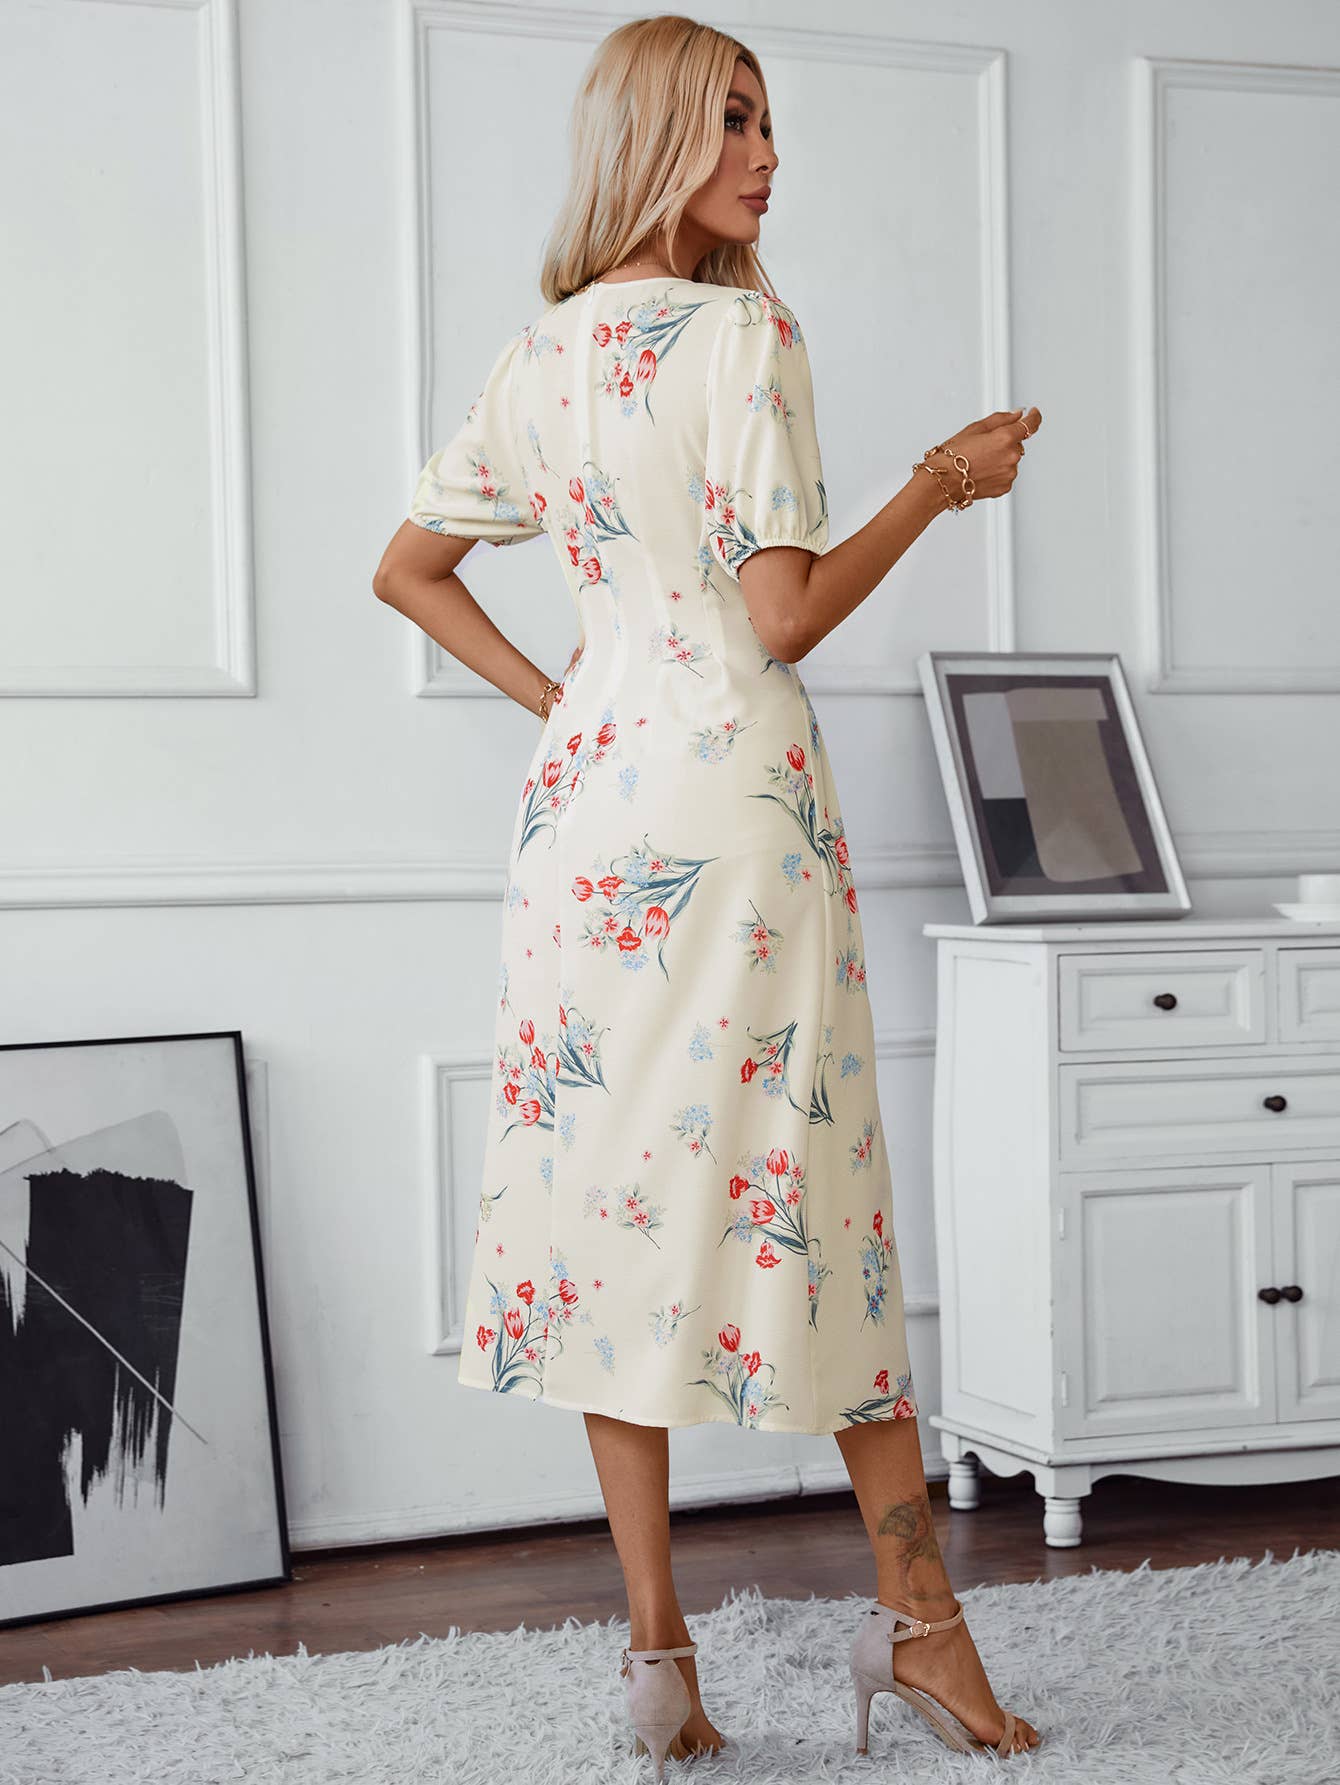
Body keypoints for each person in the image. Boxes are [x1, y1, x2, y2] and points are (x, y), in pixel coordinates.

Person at [373, 14, 1043, 1774]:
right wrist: (942, 482)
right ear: (661, 136)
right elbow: (783, 616)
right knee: (823, 1208)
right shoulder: (745, 334)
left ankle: (658, 1660)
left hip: (585, 827)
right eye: (734, 120)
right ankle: (924, 1632)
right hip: (736, 818)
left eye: (769, 120)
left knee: (609, 1215)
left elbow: (407, 568)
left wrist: (569, 706)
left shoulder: (541, 355)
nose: (766, 152)